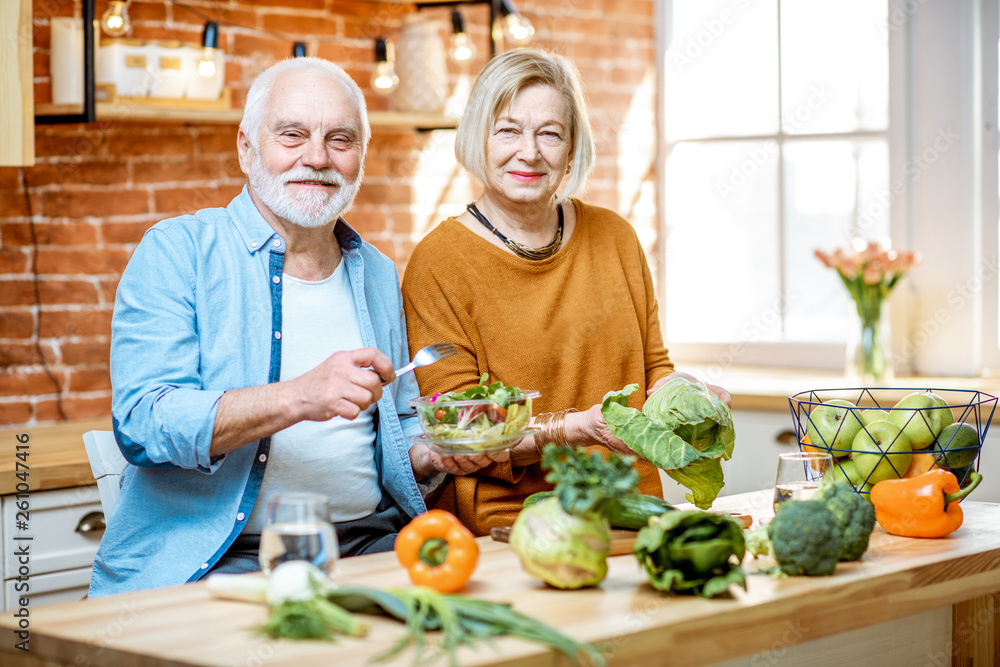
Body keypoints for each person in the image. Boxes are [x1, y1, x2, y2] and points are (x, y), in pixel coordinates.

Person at [90, 57, 445, 597]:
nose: (317, 158)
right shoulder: (178, 250)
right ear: (246, 148)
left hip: (370, 546)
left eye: (340, 140)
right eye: (293, 135)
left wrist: (439, 451)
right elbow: (143, 423)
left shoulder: (373, 270)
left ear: (361, 158)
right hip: (218, 562)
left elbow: (400, 422)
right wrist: (299, 396)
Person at [401, 49, 731, 536]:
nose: (529, 152)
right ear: (477, 137)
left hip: (632, 513)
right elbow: (464, 436)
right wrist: (570, 430)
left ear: (572, 146)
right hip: (514, 528)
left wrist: (682, 394)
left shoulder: (615, 236)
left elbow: (652, 367)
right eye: (508, 129)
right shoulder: (439, 262)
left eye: (550, 133)